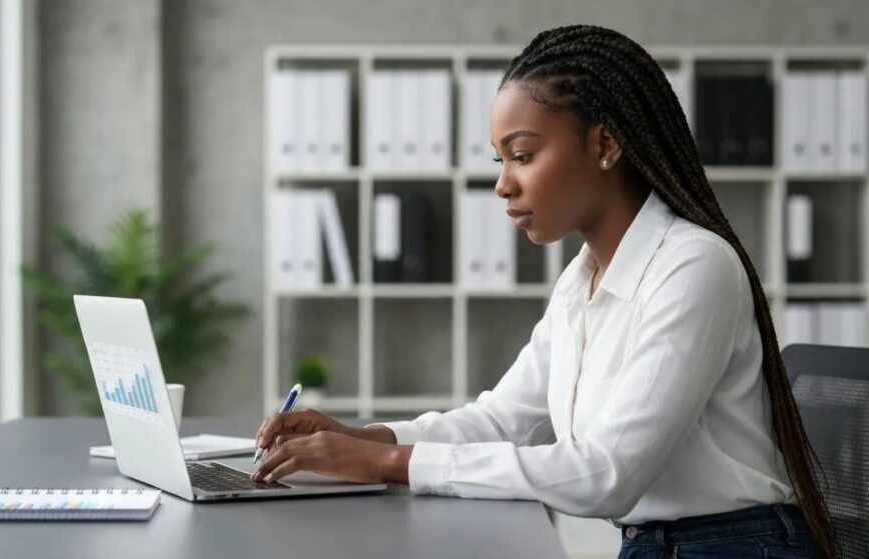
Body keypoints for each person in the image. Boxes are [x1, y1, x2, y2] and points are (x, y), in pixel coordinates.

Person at [250, 24, 834, 559]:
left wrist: (389, 463)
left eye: (523, 155)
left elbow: (608, 473)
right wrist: (359, 438)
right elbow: (504, 418)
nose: (503, 184)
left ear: (605, 145)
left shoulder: (694, 267)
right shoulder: (582, 279)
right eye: (500, 160)